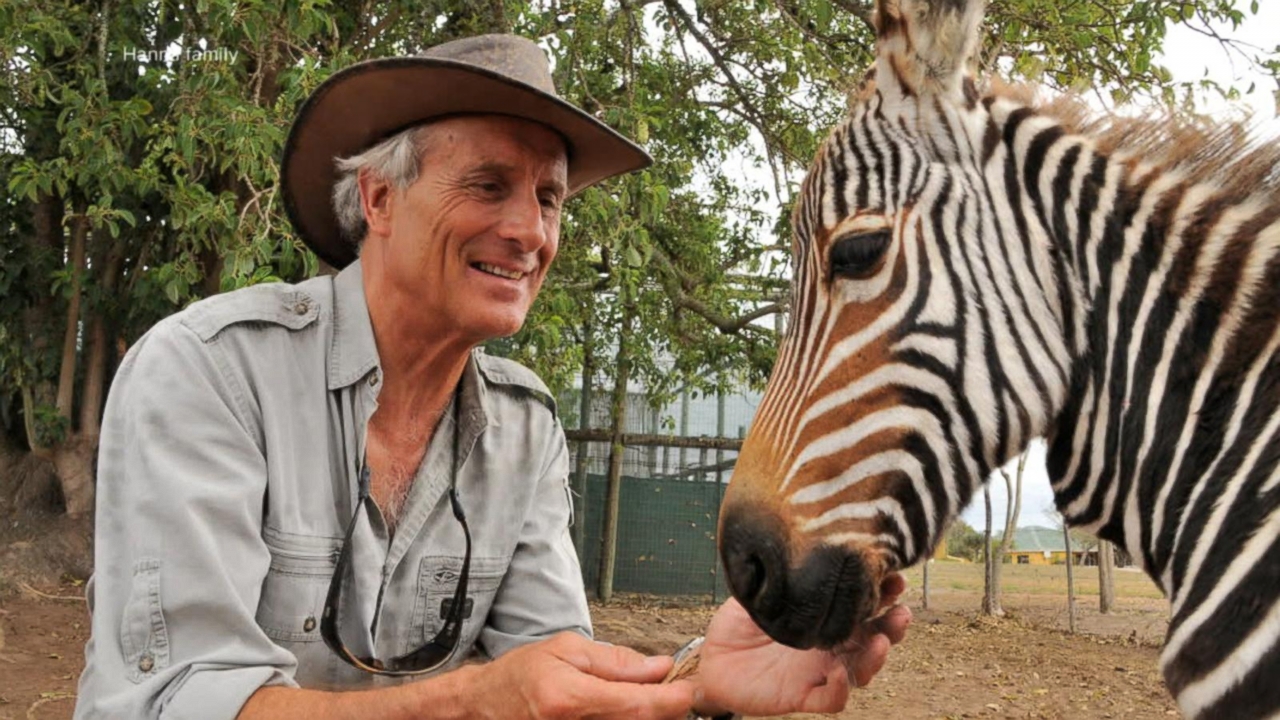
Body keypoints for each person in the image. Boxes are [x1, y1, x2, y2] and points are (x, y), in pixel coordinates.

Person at [73, 34, 912, 720]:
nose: (529, 231)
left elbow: (550, 689)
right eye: (488, 185)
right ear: (378, 201)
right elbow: (179, 701)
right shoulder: (211, 372)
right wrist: (478, 702)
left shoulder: (523, 428)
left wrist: (699, 680)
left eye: (549, 199)